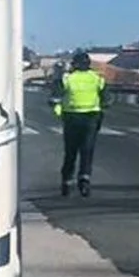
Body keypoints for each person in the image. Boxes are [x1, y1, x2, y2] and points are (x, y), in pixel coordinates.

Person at [53, 50, 106, 197]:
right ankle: (84, 180)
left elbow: (55, 97)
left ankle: (67, 181)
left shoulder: (67, 78)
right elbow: (107, 99)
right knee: (86, 151)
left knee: (70, 152)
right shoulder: (97, 78)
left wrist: (59, 110)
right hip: (91, 118)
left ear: (74, 64)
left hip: (71, 118)